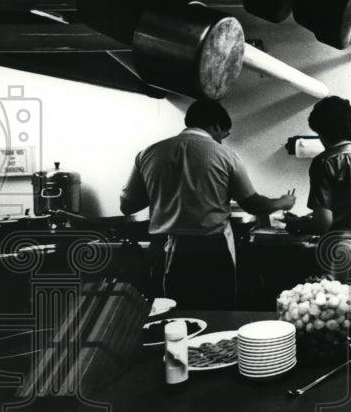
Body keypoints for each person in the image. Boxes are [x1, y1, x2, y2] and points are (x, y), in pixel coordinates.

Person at [120, 99, 296, 309]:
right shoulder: (226, 156)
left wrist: (163, 188)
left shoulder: (149, 153)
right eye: (224, 133)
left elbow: (127, 206)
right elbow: (252, 204)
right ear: (215, 126)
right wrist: (283, 202)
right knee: (217, 314)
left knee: (167, 315)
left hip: (162, 249)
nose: (222, 139)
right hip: (210, 249)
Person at [284, 96, 351, 282]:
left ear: (322, 130)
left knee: (339, 307)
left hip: (343, 251)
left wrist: (299, 225)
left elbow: (323, 222)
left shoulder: (325, 162)